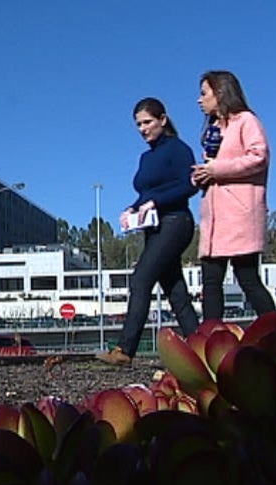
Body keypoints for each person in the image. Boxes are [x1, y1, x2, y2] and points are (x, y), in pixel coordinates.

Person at [96, 97, 200, 367]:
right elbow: (146, 193)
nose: (143, 129)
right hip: (153, 226)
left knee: (141, 279)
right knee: (175, 290)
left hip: (176, 222)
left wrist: (156, 202)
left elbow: (190, 185)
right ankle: (201, 345)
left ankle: (124, 350)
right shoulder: (145, 157)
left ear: (163, 120)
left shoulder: (178, 149)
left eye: (148, 122)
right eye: (138, 125)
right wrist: (131, 209)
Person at [190, 70, 276, 321]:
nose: (199, 100)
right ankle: (210, 340)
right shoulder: (213, 131)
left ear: (220, 92)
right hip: (214, 221)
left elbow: (259, 156)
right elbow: (213, 166)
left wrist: (216, 170)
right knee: (211, 282)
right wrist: (200, 175)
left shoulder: (246, 121)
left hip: (239, 217)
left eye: (204, 93)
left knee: (248, 279)